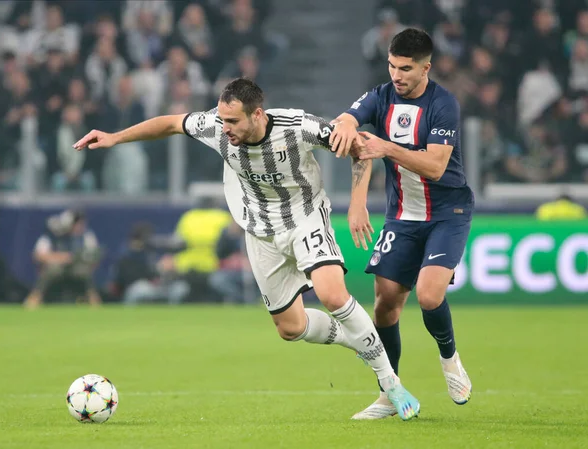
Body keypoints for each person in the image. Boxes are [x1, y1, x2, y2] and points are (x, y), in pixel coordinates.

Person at [73, 78, 420, 420]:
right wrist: (114, 138)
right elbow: (169, 123)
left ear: (258, 114)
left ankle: (390, 384)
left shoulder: (298, 126)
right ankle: (359, 340)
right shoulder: (216, 127)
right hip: (260, 232)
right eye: (223, 120)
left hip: (306, 219)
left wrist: (358, 204)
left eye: (233, 121)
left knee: (332, 295)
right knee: (291, 328)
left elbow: (360, 148)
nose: (225, 128)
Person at [330, 28, 473, 419]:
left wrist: (388, 148)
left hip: (447, 213)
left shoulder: (443, 105)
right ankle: (388, 395)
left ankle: (449, 359)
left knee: (429, 296)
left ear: (426, 67)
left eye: (406, 68)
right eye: (392, 66)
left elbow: (436, 165)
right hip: (402, 217)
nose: (397, 75)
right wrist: (357, 201)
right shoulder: (380, 96)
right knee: (385, 306)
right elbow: (354, 132)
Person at [24, 209, 102, 308]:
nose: (79, 226)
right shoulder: (53, 235)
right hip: (57, 266)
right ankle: (35, 297)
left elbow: (94, 255)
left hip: (77, 267)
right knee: (52, 270)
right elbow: (38, 255)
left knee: (83, 271)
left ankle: (93, 299)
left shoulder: (86, 236)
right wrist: (62, 257)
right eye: (76, 223)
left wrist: (85, 261)